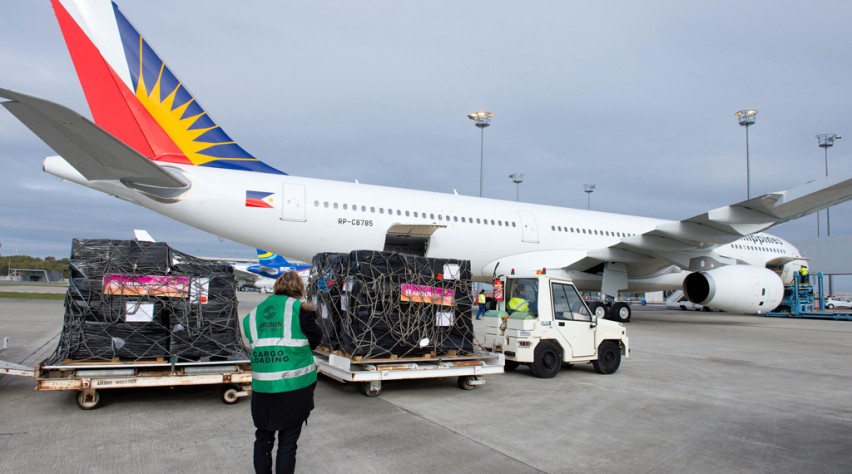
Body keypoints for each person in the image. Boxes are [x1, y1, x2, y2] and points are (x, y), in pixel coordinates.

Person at [243, 271, 323, 474]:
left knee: (263, 440)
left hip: (263, 388)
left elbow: (254, 342)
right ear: (299, 288)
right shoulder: (300, 310)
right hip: (293, 388)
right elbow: (315, 339)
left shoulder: (254, 314)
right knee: (288, 443)